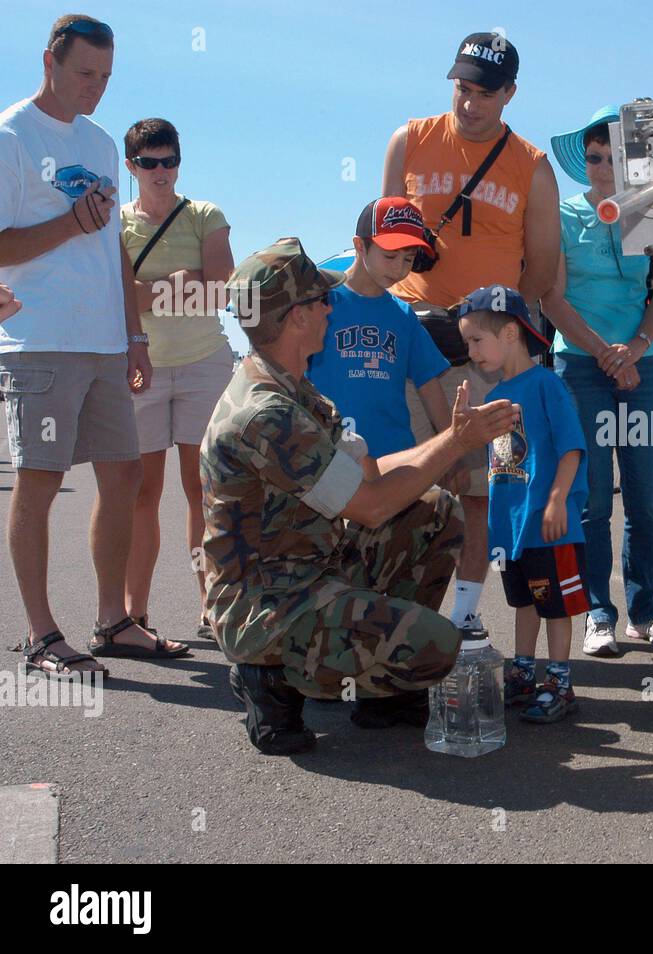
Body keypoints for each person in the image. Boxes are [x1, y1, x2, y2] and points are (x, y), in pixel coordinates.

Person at [204, 239, 516, 754]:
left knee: (435, 510)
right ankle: (269, 676)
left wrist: (446, 447)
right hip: (268, 604)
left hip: (310, 566)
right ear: (298, 316)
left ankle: (381, 693)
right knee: (437, 648)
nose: (331, 307)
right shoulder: (268, 415)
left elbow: (369, 473)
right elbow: (371, 504)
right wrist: (456, 442)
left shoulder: (293, 391)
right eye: (319, 300)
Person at [1, 14, 189, 680]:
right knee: (41, 482)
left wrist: (135, 334)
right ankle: (40, 634)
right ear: (48, 61)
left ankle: (113, 621)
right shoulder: (11, 135)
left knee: (126, 475)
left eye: (106, 77)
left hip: (106, 341)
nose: (96, 89)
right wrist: (68, 222)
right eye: (85, 73)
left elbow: (112, 246)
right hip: (38, 340)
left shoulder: (104, 143)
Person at [382, 31, 561, 633]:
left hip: (485, 357)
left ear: (510, 93)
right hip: (411, 338)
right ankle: (402, 618)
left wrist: (497, 325)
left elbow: (540, 268)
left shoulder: (533, 167)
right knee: (400, 481)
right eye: (462, 88)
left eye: (485, 92)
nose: (469, 103)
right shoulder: (409, 140)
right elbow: (385, 237)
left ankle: (460, 619)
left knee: (480, 490)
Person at [545, 106, 653, 656]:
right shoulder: (562, 215)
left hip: (642, 367)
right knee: (594, 499)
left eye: (612, 155)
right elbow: (550, 298)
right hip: (580, 367)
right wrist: (604, 353)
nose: (601, 166)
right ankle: (599, 614)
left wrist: (636, 348)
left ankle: (645, 609)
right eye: (594, 156)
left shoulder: (652, 213)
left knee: (645, 497)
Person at [120, 118, 235, 642]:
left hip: (202, 363)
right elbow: (116, 300)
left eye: (168, 161)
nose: (160, 171)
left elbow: (220, 293)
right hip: (139, 364)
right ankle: (132, 612)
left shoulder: (204, 216)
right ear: (132, 167)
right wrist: (180, 282)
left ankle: (210, 606)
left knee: (201, 490)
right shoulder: (117, 224)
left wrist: (146, 291)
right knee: (142, 491)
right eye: (149, 163)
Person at [459, 285, 588, 723]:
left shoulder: (546, 383)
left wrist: (557, 501)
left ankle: (560, 681)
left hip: (549, 523)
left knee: (555, 605)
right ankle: (523, 670)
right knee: (524, 601)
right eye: (468, 343)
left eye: (476, 340)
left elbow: (572, 447)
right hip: (513, 528)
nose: (471, 351)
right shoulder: (496, 393)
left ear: (511, 333)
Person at [306, 197, 465, 499]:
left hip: (395, 461)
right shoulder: (321, 304)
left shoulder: (403, 315)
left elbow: (429, 386)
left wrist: (451, 449)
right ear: (360, 245)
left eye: (408, 259)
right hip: (328, 458)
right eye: (390, 256)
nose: (399, 269)